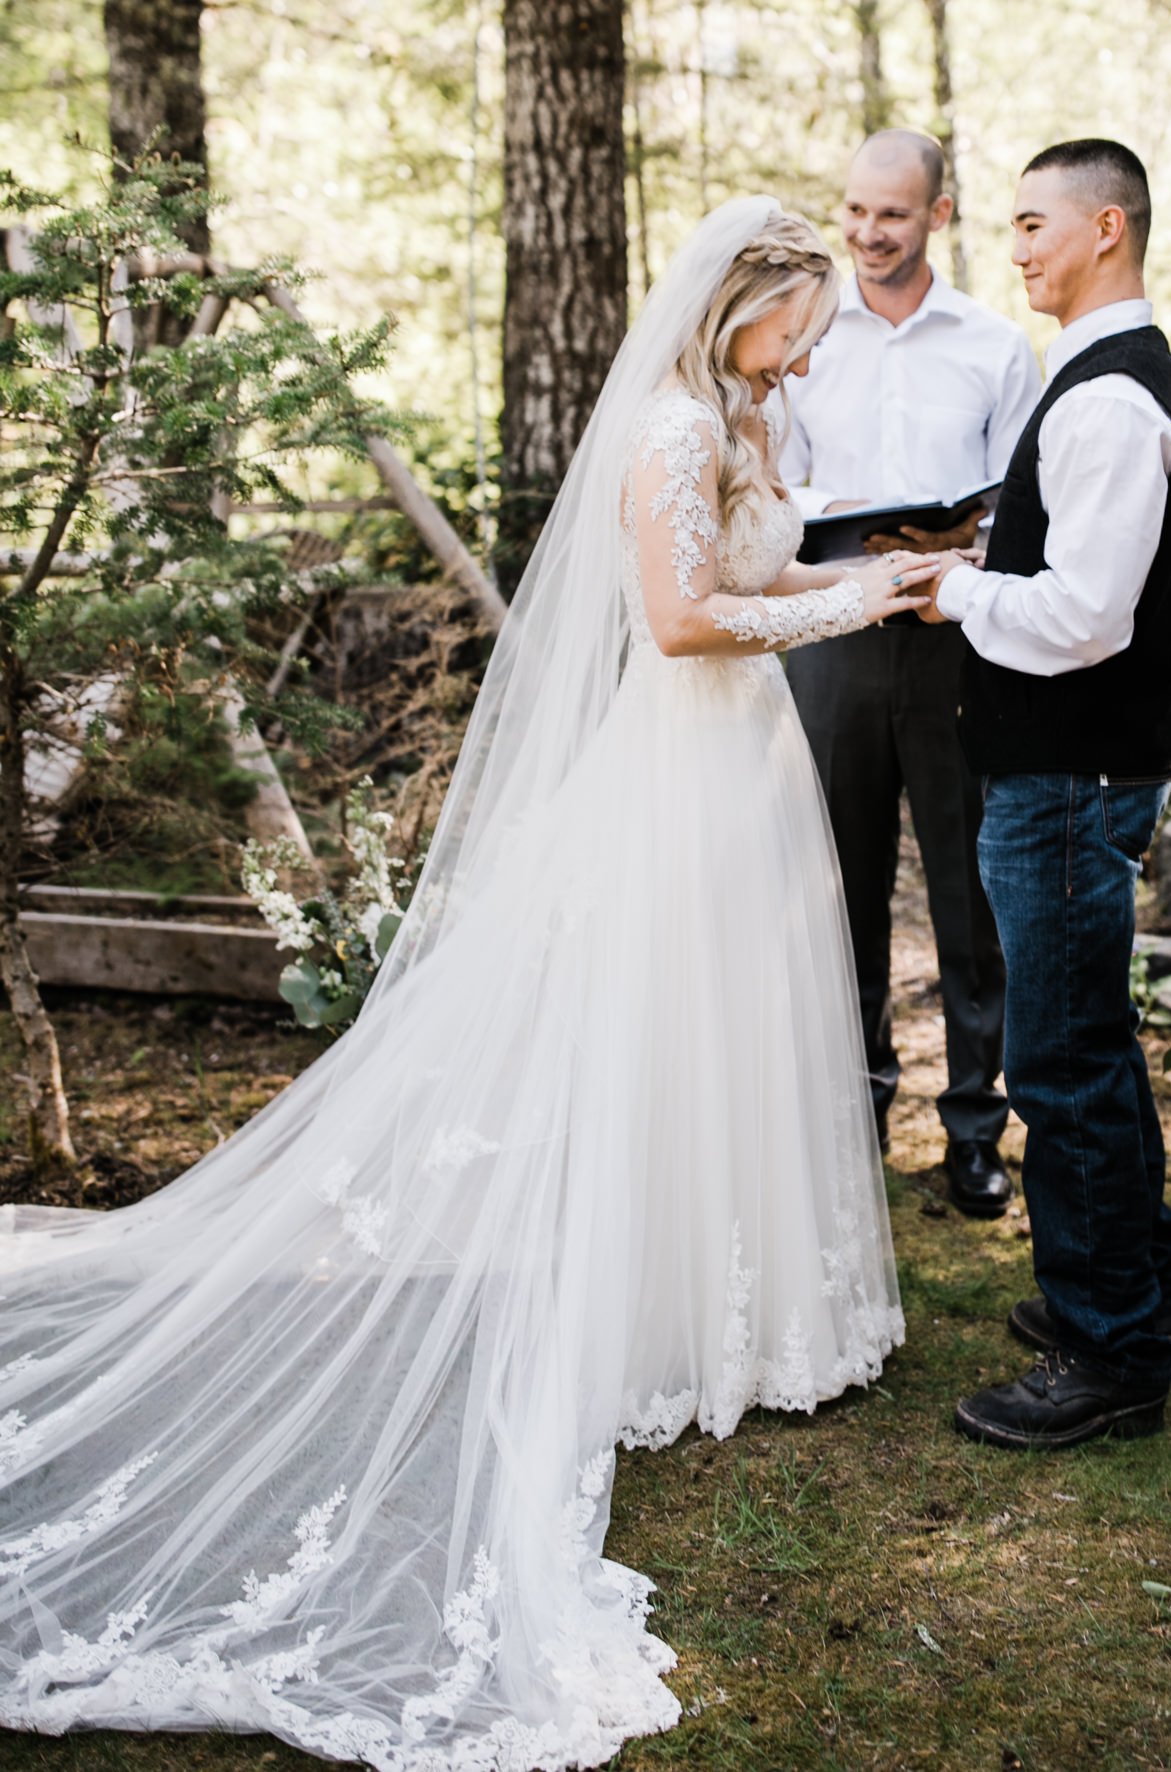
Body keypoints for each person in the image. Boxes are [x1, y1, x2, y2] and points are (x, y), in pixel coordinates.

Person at [0, 201, 936, 1769]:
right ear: (742, 302)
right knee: (669, 1026)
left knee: (749, 1030)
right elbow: (678, 618)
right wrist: (857, 600)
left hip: (752, 769)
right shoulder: (667, 422)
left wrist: (867, 554)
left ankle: (751, 1310)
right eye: (803, 315)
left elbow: (757, 556)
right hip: (682, 771)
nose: (816, 340)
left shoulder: (751, 412)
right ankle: (643, 1315)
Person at [924, 139, 1171, 1449]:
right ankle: (1136, 1300)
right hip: (1064, 770)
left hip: (1070, 774)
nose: (1017, 247)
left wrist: (953, 588)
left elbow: (1085, 616)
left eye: (1034, 225)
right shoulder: (1089, 379)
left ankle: (1105, 1356)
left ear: (1105, 229)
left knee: (1062, 1057)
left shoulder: (1105, 398)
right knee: (1088, 1039)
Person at [779, 129, 1040, 1216]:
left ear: (937, 215)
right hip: (832, 635)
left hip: (956, 643)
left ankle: (975, 1130)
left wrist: (964, 546)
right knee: (833, 889)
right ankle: (855, 1115)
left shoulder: (994, 346)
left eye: (889, 214)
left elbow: (1028, 505)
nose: (865, 233)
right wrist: (841, 525)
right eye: (852, 211)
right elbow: (770, 486)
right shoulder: (802, 339)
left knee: (968, 898)